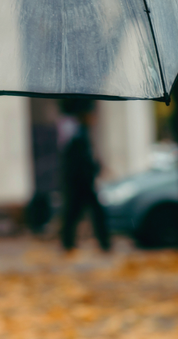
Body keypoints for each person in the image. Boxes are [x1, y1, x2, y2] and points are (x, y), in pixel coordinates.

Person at [59, 99, 111, 252]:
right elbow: (79, 159)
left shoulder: (80, 131)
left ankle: (69, 243)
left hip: (81, 181)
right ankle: (101, 242)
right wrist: (94, 169)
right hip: (80, 182)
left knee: (76, 213)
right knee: (84, 212)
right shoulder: (76, 133)